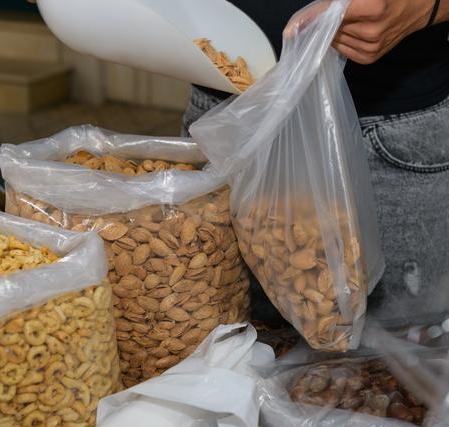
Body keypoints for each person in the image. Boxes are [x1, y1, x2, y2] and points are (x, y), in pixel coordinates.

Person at [183, 0, 449, 329]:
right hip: (222, 126)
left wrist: (426, 6)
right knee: (220, 347)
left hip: (386, 142)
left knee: (396, 352)